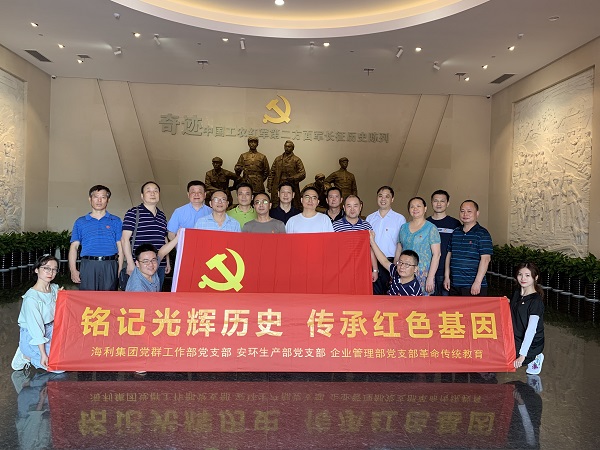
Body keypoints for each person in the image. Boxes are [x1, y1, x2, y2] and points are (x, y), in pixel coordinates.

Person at [11, 255, 64, 373]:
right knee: (59, 367)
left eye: (54, 269)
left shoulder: (55, 289)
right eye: (46, 268)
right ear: (36, 270)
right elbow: (36, 328)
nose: (50, 272)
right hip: (33, 334)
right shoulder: (31, 298)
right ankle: (26, 355)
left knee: (70, 356)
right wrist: (43, 354)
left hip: (51, 329)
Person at [69, 185, 123, 291]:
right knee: (87, 298)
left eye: (103, 197)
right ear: (90, 199)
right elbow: (74, 247)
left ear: (108, 200)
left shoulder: (116, 221)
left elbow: (120, 246)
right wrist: (73, 270)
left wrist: (120, 269)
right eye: (96, 197)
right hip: (88, 265)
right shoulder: (80, 222)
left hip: (110, 265)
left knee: (108, 298)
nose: (99, 200)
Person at [121, 181, 170, 290]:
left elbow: (164, 239)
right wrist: (130, 262)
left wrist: (167, 261)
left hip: (159, 264)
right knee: (139, 297)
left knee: (157, 297)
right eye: (148, 191)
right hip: (140, 265)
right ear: (142, 196)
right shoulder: (133, 213)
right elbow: (124, 239)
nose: (153, 193)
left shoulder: (162, 215)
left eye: (155, 191)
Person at [444, 200, 493, 296]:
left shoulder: (483, 233)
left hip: (473, 286)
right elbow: (449, 255)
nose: (465, 214)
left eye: (469, 211)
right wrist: (446, 277)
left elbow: (486, 259)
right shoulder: (456, 232)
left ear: (477, 213)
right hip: (454, 285)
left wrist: (477, 282)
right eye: (462, 211)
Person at [394, 197, 441, 295]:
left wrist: (430, 277)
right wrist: (395, 271)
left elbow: (436, 254)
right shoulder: (403, 228)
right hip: (405, 272)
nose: (415, 209)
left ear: (425, 208)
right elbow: (399, 250)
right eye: (412, 207)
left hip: (423, 274)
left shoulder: (431, 228)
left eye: (418, 206)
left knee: (422, 302)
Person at [366, 186, 406, 295]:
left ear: (392, 199)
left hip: (391, 263)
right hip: (373, 263)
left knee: (391, 296)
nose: (383, 199)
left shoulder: (399, 219)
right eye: (380, 196)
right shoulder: (370, 218)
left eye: (387, 196)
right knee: (375, 296)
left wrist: (396, 265)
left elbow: (401, 244)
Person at [333, 195, 378, 282]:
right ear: (344, 208)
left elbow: (371, 249)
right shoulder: (335, 226)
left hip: (362, 269)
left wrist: (375, 270)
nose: (352, 209)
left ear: (360, 207)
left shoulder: (367, 226)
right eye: (349, 206)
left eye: (355, 206)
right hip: (341, 269)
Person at [511, 262, 545, 375]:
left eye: (527, 275)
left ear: (535, 277)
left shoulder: (535, 301)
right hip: (516, 335)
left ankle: (535, 356)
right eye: (520, 274)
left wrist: (522, 355)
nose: (523, 278)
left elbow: (531, 329)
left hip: (531, 341)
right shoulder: (516, 293)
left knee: (513, 360)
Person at [427, 190, 461, 296]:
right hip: (427, 270)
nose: (439, 204)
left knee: (445, 303)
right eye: (435, 201)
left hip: (446, 272)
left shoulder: (455, 224)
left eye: (442, 201)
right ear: (431, 202)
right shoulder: (425, 223)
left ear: (448, 203)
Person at [267, 140, 306, 210]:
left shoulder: (296, 160)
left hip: (292, 185)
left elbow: (302, 173)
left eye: (289, 147)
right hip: (278, 185)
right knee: (275, 206)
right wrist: (269, 185)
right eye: (286, 146)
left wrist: (293, 178)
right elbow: (272, 173)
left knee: (294, 207)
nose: (287, 148)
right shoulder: (278, 159)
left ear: (293, 148)